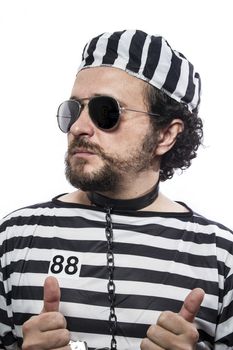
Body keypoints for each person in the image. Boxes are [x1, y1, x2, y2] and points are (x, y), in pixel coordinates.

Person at [0, 29, 232, 350]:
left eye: (106, 111)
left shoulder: (221, 259)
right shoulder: (15, 239)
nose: (78, 127)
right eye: (74, 109)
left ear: (165, 134)